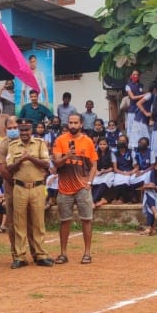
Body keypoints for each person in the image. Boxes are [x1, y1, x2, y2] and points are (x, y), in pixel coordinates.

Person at [5, 118, 54, 268]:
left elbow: (46, 164)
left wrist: (29, 157)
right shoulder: (13, 146)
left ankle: (40, 255)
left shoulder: (39, 143)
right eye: (21, 130)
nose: (24, 132)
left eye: (26, 129)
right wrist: (20, 161)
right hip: (19, 188)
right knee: (19, 223)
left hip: (37, 187)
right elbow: (9, 168)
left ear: (31, 130)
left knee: (38, 223)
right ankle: (20, 257)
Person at [51, 113, 97, 264]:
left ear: (81, 124)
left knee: (87, 220)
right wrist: (66, 156)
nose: (72, 125)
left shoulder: (88, 141)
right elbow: (56, 164)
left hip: (82, 187)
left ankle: (87, 253)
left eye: (75, 123)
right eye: (70, 122)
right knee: (65, 221)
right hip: (64, 188)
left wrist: (89, 183)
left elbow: (93, 164)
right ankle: (63, 253)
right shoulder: (60, 140)